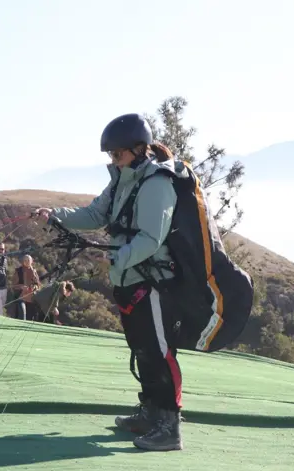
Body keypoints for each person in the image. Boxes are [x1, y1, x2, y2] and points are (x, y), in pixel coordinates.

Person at [34, 113, 183, 451]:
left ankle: (170, 427)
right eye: (111, 156)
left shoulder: (157, 182)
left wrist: (118, 259)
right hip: (128, 278)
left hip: (154, 282)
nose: (113, 160)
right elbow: (96, 214)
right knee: (142, 349)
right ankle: (150, 413)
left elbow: (151, 238)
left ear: (139, 149)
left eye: (118, 154)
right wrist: (55, 215)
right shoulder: (121, 179)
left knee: (159, 352)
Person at [10, 255, 41, 320]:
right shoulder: (18, 271)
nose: (27, 262)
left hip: (31, 298)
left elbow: (38, 285)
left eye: (28, 260)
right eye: (25, 260)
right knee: (22, 314)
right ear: (23, 262)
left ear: (31, 261)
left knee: (29, 318)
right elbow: (13, 285)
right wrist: (21, 286)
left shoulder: (34, 271)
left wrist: (34, 287)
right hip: (20, 297)